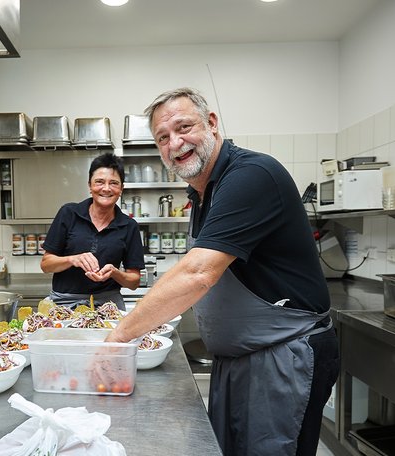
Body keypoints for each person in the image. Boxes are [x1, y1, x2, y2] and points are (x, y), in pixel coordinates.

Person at [105, 88, 339, 456]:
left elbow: (198, 273)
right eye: (163, 138)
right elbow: (194, 269)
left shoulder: (251, 175)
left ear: (212, 124)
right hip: (239, 359)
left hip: (283, 357)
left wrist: (118, 338)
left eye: (184, 127)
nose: (175, 143)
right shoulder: (202, 193)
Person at [40, 152, 145, 310]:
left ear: (121, 189)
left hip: (108, 305)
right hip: (64, 305)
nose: (106, 188)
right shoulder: (69, 213)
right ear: (90, 185)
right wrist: (72, 259)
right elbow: (46, 265)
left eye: (114, 183)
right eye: (99, 182)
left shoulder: (129, 226)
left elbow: (134, 282)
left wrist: (115, 273)